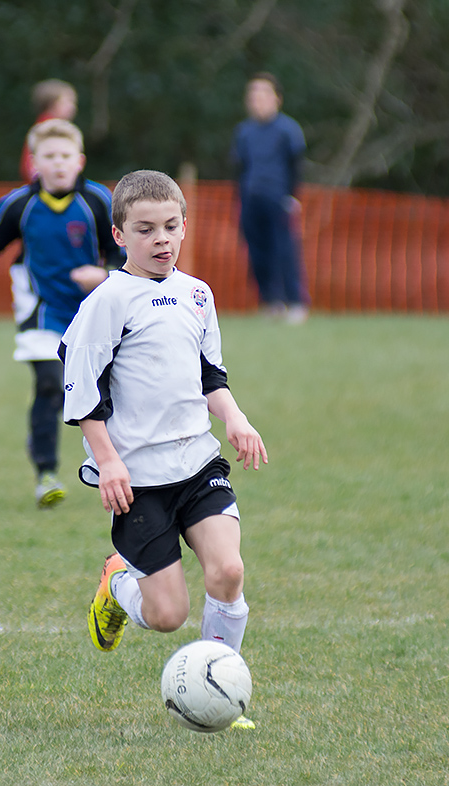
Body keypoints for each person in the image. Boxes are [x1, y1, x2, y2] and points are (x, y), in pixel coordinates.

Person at [59, 170, 268, 730]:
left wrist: (237, 420)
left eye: (172, 226)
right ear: (120, 235)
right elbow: (81, 392)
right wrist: (107, 461)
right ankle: (116, 583)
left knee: (227, 571)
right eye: (146, 229)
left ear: (184, 226)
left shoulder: (198, 294)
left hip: (197, 462)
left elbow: (210, 376)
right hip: (138, 479)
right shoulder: (108, 301)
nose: (162, 239)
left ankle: (224, 686)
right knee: (169, 614)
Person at [0, 119, 123, 508]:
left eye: (66, 156)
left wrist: (104, 275)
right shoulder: (20, 204)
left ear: (79, 160)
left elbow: (122, 251)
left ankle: (111, 462)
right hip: (39, 312)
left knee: (109, 389)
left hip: (90, 314)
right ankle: (46, 471)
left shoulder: (99, 201)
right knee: (51, 385)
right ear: (35, 163)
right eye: (49, 157)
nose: (59, 163)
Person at [231, 72, 309, 323]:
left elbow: (296, 165)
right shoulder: (244, 132)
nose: (258, 100)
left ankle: (295, 303)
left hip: (279, 199)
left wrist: (291, 196)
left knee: (285, 250)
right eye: (253, 95)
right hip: (251, 199)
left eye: (264, 94)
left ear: (277, 99)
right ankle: (270, 302)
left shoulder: (288, 130)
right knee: (257, 252)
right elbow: (239, 167)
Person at [19, 79, 78, 182]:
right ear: (52, 104)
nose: (72, 107)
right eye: (67, 101)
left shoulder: (43, 126)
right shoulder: (45, 132)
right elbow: (28, 169)